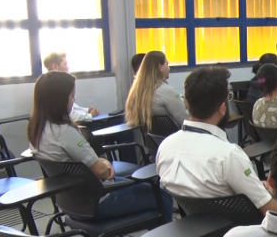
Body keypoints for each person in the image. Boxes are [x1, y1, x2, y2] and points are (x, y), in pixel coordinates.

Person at [27, 71, 172, 222]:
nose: (73, 99)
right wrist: (106, 163)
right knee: (162, 196)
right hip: (99, 200)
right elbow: (102, 171)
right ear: (59, 100)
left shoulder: (36, 129)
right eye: (71, 96)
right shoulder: (64, 133)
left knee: (147, 190)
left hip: (72, 203)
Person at [156, 66, 277, 215]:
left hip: (197, 230)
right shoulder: (228, 155)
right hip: (240, 230)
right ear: (222, 108)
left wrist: (255, 186)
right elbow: (269, 210)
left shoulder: (165, 146)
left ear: (186, 103)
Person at [125, 51, 188, 130]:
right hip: (173, 139)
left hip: (151, 141)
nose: (169, 68)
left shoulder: (136, 92)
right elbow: (185, 121)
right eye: (167, 64)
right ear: (160, 67)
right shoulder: (166, 91)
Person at [43, 52, 99, 122]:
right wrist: (90, 116)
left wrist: (87, 110)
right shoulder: (55, 88)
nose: (68, 67)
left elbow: (71, 107)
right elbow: (70, 115)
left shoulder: (46, 84)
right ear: (55, 66)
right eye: (65, 64)